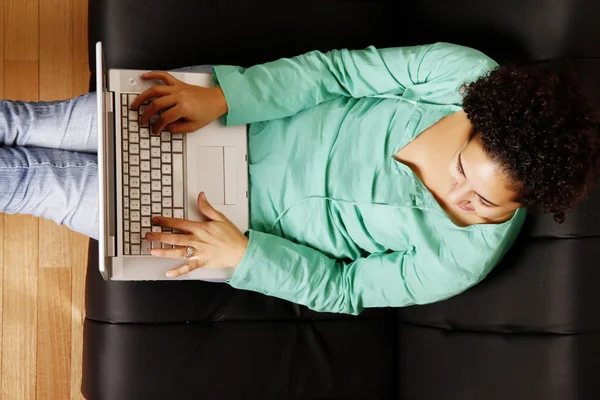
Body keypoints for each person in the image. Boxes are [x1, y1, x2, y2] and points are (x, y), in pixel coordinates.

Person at [1, 42, 598, 315]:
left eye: (485, 204)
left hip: (228, 223)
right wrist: (227, 96)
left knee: (31, 181)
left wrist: (244, 256)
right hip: (233, 118)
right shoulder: (463, 76)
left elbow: (345, 290)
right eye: (464, 168)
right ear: (476, 122)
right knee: (32, 124)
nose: (459, 195)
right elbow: (335, 73)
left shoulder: (461, 260)